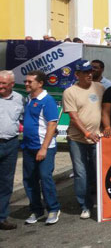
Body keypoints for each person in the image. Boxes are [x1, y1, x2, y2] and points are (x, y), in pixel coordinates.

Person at [62, 60, 105, 219]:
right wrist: (87, 133)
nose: (89, 74)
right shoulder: (70, 92)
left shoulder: (100, 88)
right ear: (77, 75)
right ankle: (85, 206)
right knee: (81, 173)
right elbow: (73, 117)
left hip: (97, 139)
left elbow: (107, 109)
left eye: (90, 71)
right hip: (77, 139)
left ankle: (101, 202)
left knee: (97, 171)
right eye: (85, 72)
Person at [22, 70, 60, 225]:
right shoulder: (28, 99)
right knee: (29, 180)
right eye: (26, 81)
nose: (26, 84)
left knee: (45, 177)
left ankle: (53, 209)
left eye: (30, 81)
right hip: (28, 147)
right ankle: (36, 210)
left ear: (40, 83)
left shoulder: (47, 100)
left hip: (44, 147)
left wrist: (44, 148)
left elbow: (52, 124)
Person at [0, 71, 24, 230]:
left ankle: (2, 217)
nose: (0, 86)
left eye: (3, 83)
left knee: (6, 183)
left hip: (11, 144)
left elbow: (22, 118)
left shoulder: (18, 98)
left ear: (12, 85)